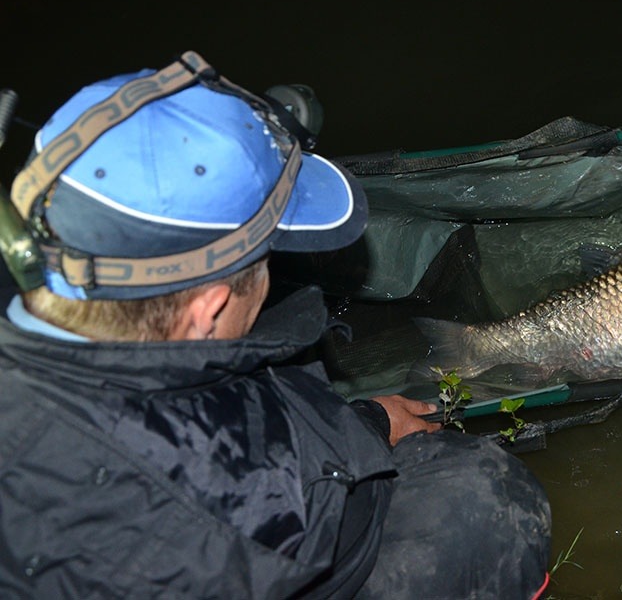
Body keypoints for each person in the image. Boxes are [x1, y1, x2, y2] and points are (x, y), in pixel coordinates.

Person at [0, 52, 551, 598]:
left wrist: (368, 419)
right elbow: (273, 488)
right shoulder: (240, 516)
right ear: (207, 310)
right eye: (263, 263)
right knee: (487, 505)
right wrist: (360, 434)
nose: (271, 274)